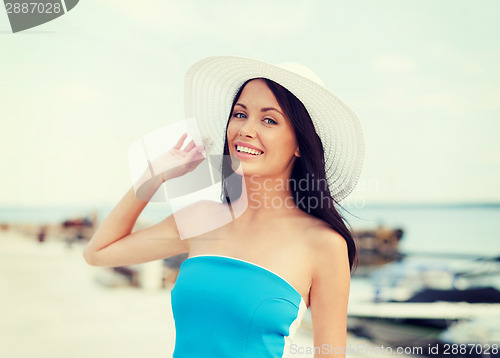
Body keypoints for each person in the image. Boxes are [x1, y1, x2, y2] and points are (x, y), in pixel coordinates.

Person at [83, 56, 364, 358]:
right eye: (240, 114)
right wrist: (153, 177)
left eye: (269, 119)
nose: (245, 129)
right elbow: (98, 252)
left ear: (299, 143)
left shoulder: (324, 245)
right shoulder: (201, 218)